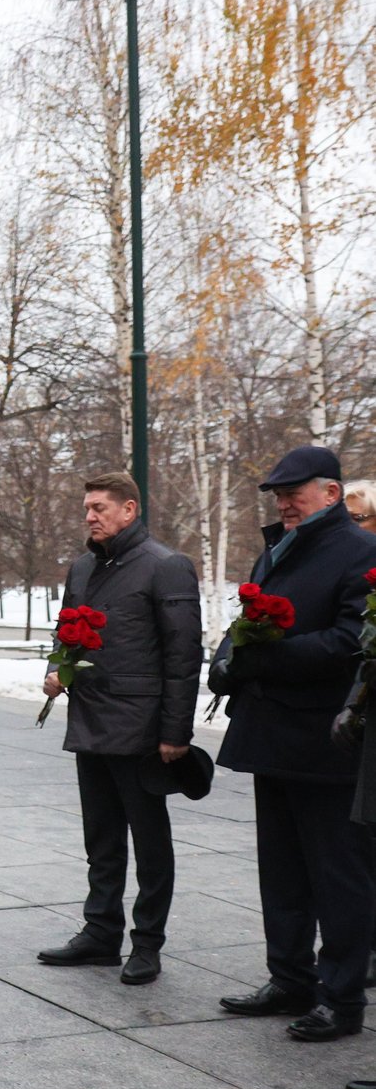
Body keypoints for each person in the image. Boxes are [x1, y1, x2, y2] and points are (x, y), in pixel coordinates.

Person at [212, 446, 376, 1041]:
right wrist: (227, 658)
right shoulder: (279, 546)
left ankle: (342, 998)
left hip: (325, 743)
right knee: (281, 871)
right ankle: (290, 979)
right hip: (272, 735)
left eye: (295, 491)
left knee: (338, 876)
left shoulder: (360, 552)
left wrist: (263, 658)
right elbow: (250, 622)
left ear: (331, 493)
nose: (284, 501)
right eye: (278, 492)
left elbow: (350, 643)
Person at [34, 471, 202, 985]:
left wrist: (175, 731)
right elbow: (68, 630)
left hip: (142, 729)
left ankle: (147, 943)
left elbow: (183, 653)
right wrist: (58, 669)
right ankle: (100, 933)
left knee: (150, 842)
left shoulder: (166, 566)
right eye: (87, 507)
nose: (90, 516)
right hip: (91, 718)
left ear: (129, 510)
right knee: (101, 837)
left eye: (100, 507)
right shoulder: (82, 567)